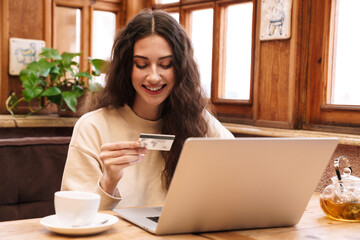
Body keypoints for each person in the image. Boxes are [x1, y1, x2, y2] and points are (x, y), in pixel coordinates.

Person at [61, 9, 234, 210]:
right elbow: (73, 215)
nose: (153, 77)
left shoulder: (198, 120)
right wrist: (109, 181)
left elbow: (239, 170)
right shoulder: (93, 127)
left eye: (165, 65)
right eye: (142, 65)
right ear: (127, 68)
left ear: (181, 68)